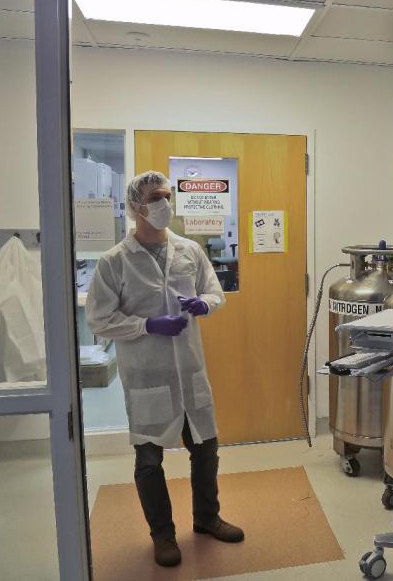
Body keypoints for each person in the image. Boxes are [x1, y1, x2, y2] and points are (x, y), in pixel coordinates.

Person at [86, 170, 244, 568]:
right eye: (156, 197)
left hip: (190, 370)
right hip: (147, 375)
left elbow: (214, 291)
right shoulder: (114, 261)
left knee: (206, 449)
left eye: (167, 196)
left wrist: (204, 305)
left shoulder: (189, 249)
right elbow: (99, 320)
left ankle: (207, 519)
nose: (164, 204)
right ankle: (163, 536)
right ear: (137, 206)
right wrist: (146, 325)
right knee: (149, 461)